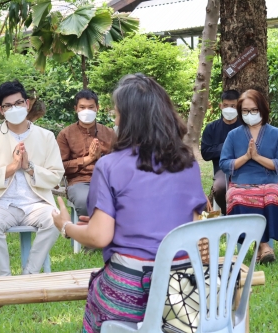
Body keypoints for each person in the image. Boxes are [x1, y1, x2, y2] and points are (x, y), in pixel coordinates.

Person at [51, 74, 207, 333]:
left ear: (130, 119)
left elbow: (100, 237)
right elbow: (188, 226)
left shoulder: (109, 165)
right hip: (183, 290)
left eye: (117, 115)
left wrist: (66, 226)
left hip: (129, 288)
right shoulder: (187, 162)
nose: (114, 121)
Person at [0, 80, 64, 276]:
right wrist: (11, 168)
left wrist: (29, 168)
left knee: (55, 219)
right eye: (8, 105)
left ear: (27, 104)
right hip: (1, 203)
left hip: (35, 203)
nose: (14, 108)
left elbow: (56, 174)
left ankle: (29, 275)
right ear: (1, 110)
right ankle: (5, 277)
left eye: (19, 103)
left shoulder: (46, 136)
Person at [219, 89, 278, 264]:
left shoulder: (276, 134)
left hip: (268, 182)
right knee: (238, 197)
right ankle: (265, 246)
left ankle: (261, 246)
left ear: (262, 109)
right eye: (245, 111)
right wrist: (246, 157)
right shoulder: (233, 135)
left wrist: (258, 157)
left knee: (271, 197)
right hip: (240, 182)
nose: (249, 114)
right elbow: (224, 163)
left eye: (253, 110)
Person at [56, 90, 116, 217]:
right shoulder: (65, 134)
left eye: (90, 107)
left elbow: (118, 163)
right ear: (76, 109)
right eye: (82, 107)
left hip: (106, 180)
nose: (86, 111)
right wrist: (88, 159)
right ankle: (85, 235)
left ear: (97, 108)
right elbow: (60, 167)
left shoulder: (109, 133)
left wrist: (100, 157)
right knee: (85, 201)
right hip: (79, 181)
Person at [201, 90, 242, 214]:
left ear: (238, 107)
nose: (229, 109)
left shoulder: (244, 126)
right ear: (221, 106)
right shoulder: (211, 128)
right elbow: (206, 153)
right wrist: (227, 147)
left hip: (244, 167)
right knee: (219, 187)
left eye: (233, 106)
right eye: (226, 105)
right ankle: (228, 213)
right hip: (221, 169)